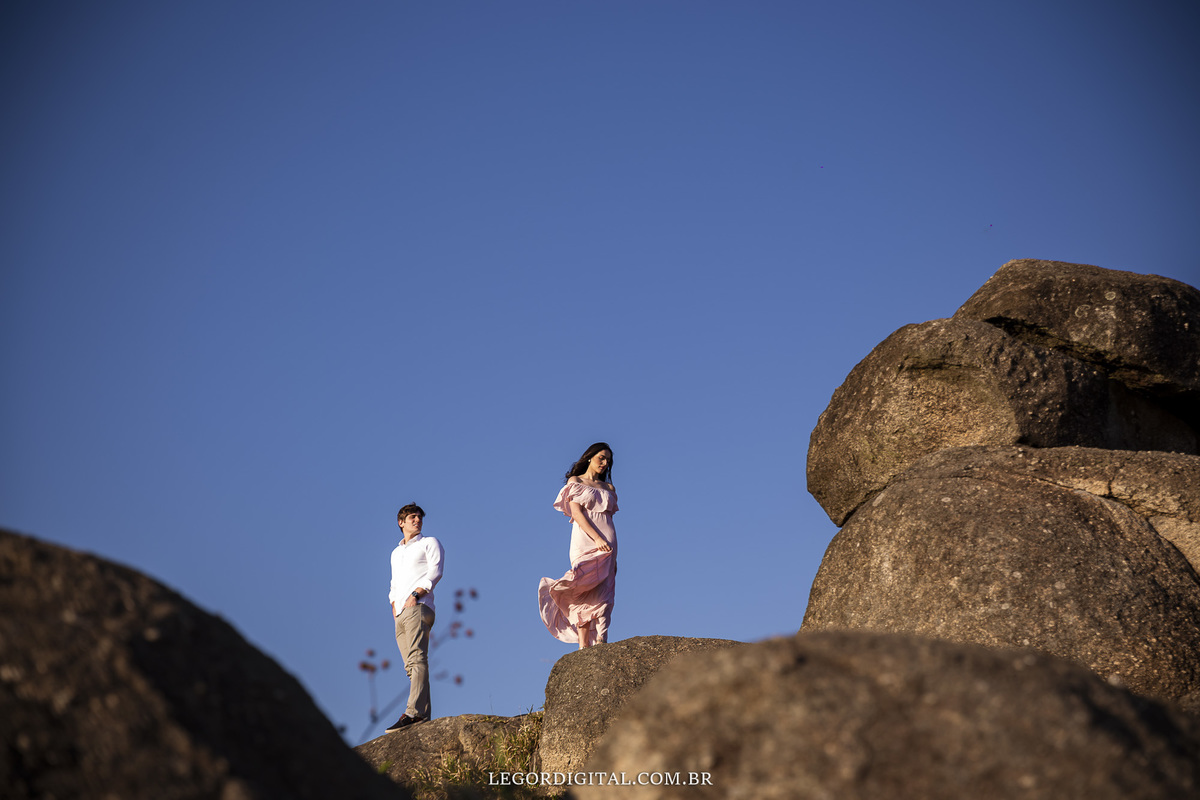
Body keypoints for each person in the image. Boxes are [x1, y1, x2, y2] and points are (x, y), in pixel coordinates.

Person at [538, 442, 618, 649]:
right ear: (590, 457)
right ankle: (583, 645)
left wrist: (612, 553)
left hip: (609, 543)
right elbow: (577, 514)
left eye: (608, 460)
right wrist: (597, 539)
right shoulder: (575, 481)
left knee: (605, 591)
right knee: (583, 586)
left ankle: (602, 640)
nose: (605, 462)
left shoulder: (608, 488)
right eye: (601, 457)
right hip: (585, 541)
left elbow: (609, 520)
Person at [385, 502, 444, 732]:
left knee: (418, 658)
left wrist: (415, 595)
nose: (417, 520)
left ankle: (413, 712)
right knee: (411, 665)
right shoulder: (395, 552)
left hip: (418, 606)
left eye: (419, 517)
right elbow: (394, 582)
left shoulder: (429, 543)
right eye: (412, 517)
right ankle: (422, 715)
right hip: (399, 612)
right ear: (401, 522)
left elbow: (436, 571)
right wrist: (393, 604)